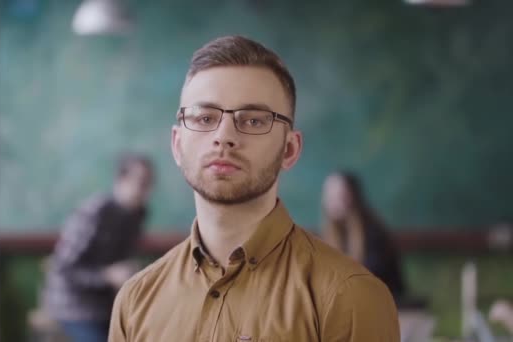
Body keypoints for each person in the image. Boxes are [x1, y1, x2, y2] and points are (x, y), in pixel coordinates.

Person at [109, 36, 400, 341]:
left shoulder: (351, 297)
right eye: (205, 117)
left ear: (289, 149)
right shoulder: (135, 301)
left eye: (253, 121)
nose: (224, 136)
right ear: (177, 144)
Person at [41, 154, 153, 342]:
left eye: (148, 183)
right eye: (140, 181)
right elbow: (63, 268)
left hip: (107, 305)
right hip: (73, 306)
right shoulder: (94, 213)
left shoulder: (138, 214)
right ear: (121, 179)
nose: (144, 189)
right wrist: (106, 276)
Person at [321, 171, 405, 302]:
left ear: (353, 196)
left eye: (339, 195)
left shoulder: (373, 234)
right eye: (329, 195)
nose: (332, 201)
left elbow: (369, 280)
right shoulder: (330, 237)